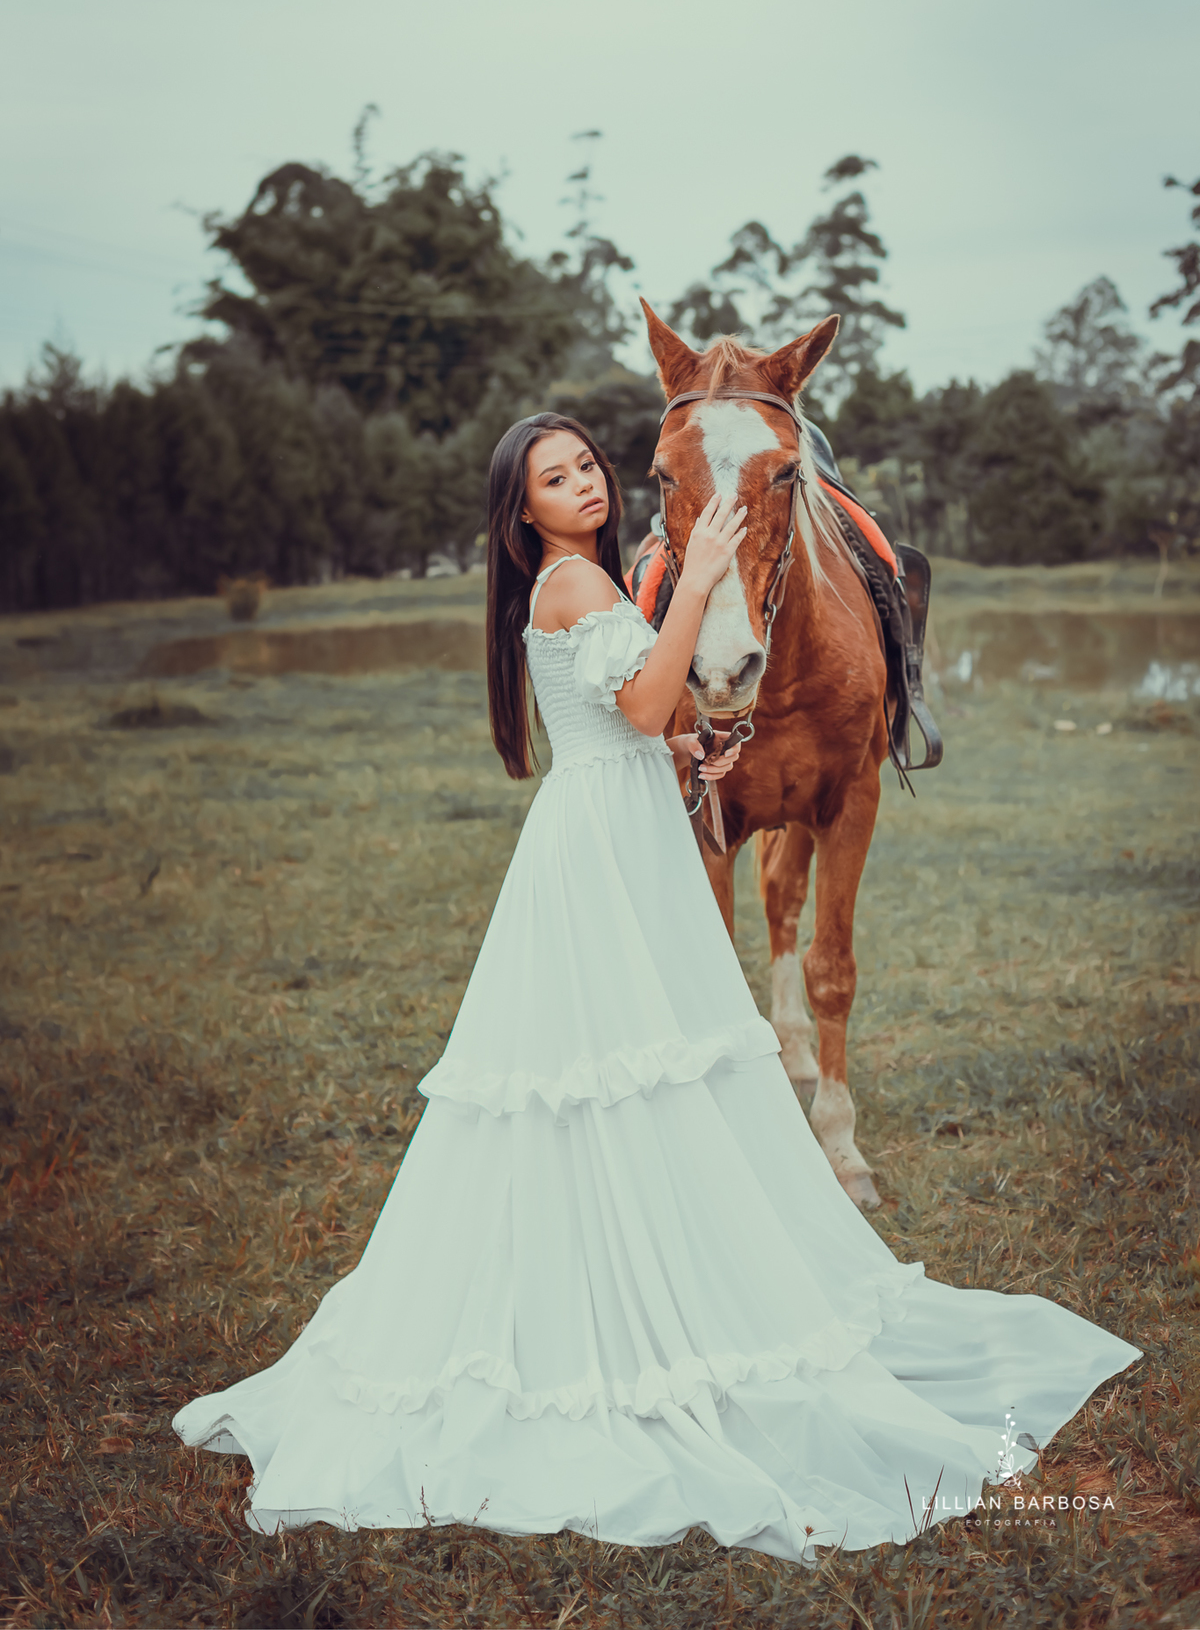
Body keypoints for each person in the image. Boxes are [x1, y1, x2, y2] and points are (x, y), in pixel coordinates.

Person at [174, 411, 1140, 1564]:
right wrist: (705, 580)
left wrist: (688, 754)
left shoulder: (582, 584)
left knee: (646, 1054)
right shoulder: (577, 585)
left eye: (587, 464)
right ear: (520, 512)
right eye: (555, 476)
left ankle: (903, 675)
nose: (582, 482)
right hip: (600, 849)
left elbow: (624, 725)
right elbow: (638, 703)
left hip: (618, 815)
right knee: (617, 1061)